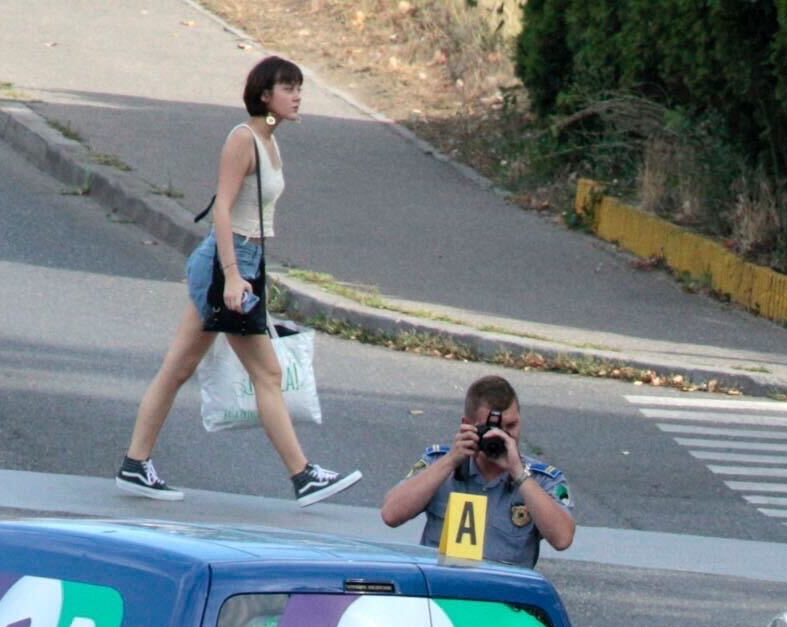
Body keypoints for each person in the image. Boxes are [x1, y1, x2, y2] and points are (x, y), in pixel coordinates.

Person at [114, 55, 362, 507]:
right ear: (265, 94)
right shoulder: (243, 139)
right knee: (267, 371)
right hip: (227, 263)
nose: (297, 95)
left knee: (178, 369)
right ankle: (303, 475)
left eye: (298, 87)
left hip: (248, 262)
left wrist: (248, 273)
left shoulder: (269, 139)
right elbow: (223, 210)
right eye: (288, 88)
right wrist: (232, 276)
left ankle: (135, 464)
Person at [380, 375, 575, 566]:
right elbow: (391, 515)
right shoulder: (438, 463)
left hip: (505, 593)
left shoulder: (543, 480)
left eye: (511, 426)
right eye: (491, 428)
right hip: (443, 589)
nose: (503, 435)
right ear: (467, 425)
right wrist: (450, 461)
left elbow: (563, 539)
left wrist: (519, 473)